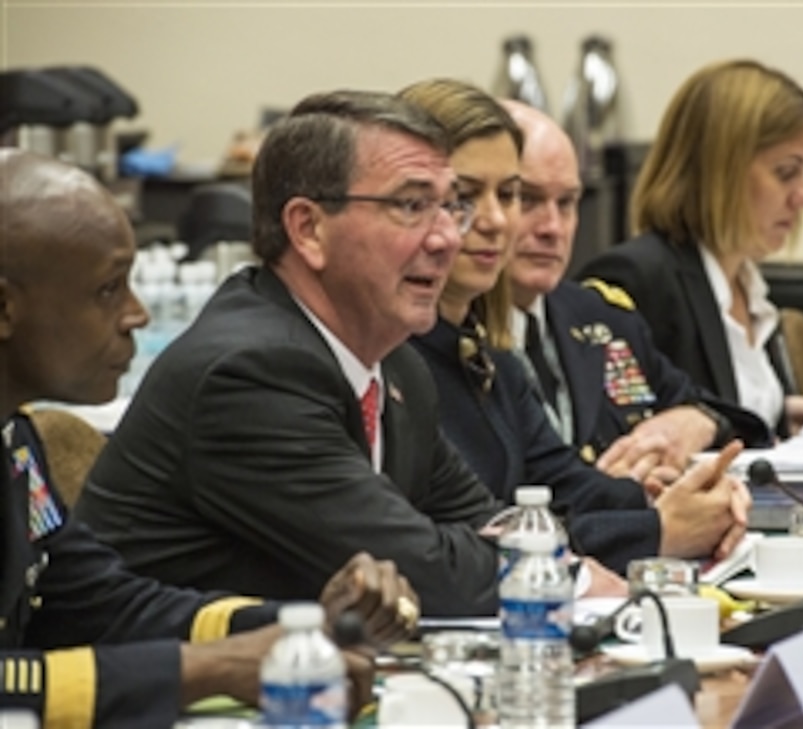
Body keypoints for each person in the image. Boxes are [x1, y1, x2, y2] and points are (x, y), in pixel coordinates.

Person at [0, 149, 418, 727]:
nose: (137, 315)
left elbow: (94, 602)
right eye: (107, 290)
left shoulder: (13, 438)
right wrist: (206, 669)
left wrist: (295, 625)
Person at [76, 90, 507, 618]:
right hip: (162, 685)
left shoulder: (396, 368)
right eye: (412, 206)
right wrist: (550, 567)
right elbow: (431, 578)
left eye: (451, 207)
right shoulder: (250, 373)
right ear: (308, 229)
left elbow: (487, 524)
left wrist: (533, 553)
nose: (447, 239)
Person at [400, 78, 751, 571]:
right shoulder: (394, 354)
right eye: (466, 195)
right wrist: (658, 529)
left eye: (509, 194)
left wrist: (681, 497)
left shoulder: (489, 351)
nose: (499, 220)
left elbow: (566, 483)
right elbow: (476, 534)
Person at [577, 59, 803, 439]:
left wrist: (777, 418)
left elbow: (719, 409)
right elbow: (634, 432)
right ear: (719, 172)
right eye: (786, 172)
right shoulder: (636, 280)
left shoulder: (746, 283)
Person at [500, 101, 771, 485]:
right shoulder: (449, 333)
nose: (552, 227)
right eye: (527, 199)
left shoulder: (599, 315)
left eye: (566, 203)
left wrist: (698, 421)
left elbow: (730, 421)